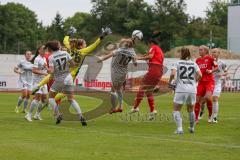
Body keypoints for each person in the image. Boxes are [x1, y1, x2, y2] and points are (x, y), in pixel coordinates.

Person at [32, 27, 112, 103]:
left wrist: (69, 33)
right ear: (80, 45)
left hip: (62, 70)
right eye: (85, 44)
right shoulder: (84, 52)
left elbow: (65, 40)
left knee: (51, 76)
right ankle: (51, 100)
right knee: (66, 92)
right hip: (70, 75)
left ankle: (38, 86)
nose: (86, 45)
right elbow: (94, 44)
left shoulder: (70, 48)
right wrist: (103, 35)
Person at [46, 40, 87, 126]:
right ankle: (81, 116)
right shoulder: (65, 53)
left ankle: (58, 115)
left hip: (60, 79)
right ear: (58, 46)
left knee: (50, 97)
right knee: (71, 99)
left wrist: (47, 69)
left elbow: (52, 71)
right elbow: (73, 64)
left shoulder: (51, 57)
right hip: (68, 77)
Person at [130, 33, 164, 120]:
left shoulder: (154, 47)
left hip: (154, 70)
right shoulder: (160, 50)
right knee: (149, 91)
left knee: (142, 87)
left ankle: (135, 107)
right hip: (159, 71)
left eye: (149, 45)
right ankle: (152, 111)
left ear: (151, 43)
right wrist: (143, 57)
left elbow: (150, 56)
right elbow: (150, 58)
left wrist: (138, 58)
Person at [98, 39, 137, 113]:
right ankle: (120, 107)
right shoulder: (132, 52)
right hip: (123, 73)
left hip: (116, 72)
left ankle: (113, 108)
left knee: (113, 90)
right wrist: (134, 59)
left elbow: (109, 55)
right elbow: (135, 64)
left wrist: (100, 59)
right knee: (118, 89)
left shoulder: (120, 50)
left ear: (126, 44)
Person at [169, 47, 202, 134]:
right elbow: (200, 75)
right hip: (192, 89)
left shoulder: (177, 62)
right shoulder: (193, 64)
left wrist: (170, 82)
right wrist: (195, 81)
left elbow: (173, 73)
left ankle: (180, 129)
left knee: (176, 109)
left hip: (181, 89)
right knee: (191, 109)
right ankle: (191, 128)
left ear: (181, 54)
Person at [194, 45, 218, 123]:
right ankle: (196, 119)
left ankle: (210, 115)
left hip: (209, 82)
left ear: (205, 51)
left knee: (208, 97)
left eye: (201, 50)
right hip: (201, 83)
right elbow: (196, 72)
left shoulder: (210, 58)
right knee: (197, 100)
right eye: (199, 50)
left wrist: (211, 71)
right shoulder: (197, 60)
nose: (199, 51)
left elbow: (216, 67)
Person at [25, 46, 49, 121]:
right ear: (39, 51)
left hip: (44, 82)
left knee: (44, 100)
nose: (45, 50)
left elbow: (46, 69)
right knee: (37, 98)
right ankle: (28, 114)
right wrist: (44, 73)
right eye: (43, 49)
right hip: (37, 82)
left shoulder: (44, 58)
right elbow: (34, 70)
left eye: (45, 49)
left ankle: (37, 114)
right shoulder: (37, 59)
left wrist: (48, 70)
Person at [211, 48, 228, 123]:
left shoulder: (222, 63)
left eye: (215, 52)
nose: (213, 53)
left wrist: (222, 74)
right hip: (209, 83)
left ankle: (214, 117)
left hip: (217, 83)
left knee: (215, 98)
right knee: (204, 100)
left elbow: (226, 72)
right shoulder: (209, 62)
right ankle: (202, 112)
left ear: (218, 53)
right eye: (212, 52)